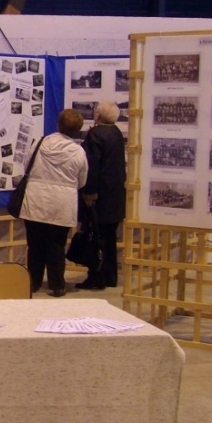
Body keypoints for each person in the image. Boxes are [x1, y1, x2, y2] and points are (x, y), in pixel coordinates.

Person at [20, 109, 88, 297]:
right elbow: (82, 180)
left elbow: (26, 166)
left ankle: (32, 282)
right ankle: (57, 284)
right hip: (62, 203)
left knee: (35, 244)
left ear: (58, 124)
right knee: (57, 245)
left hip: (36, 200)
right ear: (77, 130)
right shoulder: (78, 152)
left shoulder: (40, 144)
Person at [76, 100, 127, 289]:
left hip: (99, 196)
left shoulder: (96, 135)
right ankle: (110, 276)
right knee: (109, 238)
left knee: (96, 237)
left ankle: (96, 277)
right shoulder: (116, 133)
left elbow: (92, 167)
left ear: (97, 115)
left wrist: (89, 192)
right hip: (114, 196)